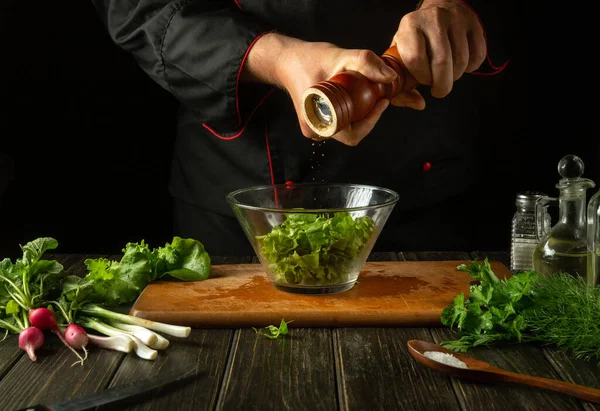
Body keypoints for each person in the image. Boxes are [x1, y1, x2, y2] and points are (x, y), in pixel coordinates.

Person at [88, 0, 523, 255]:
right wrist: (277, 57)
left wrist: (456, 10)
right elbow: (139, 8)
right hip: (236, 208)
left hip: (422, 207)